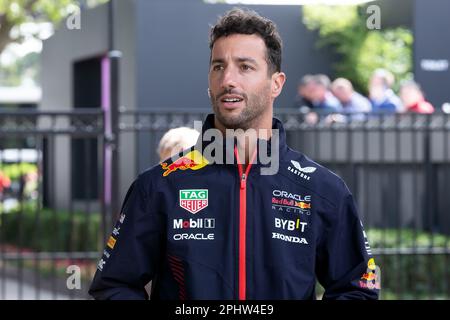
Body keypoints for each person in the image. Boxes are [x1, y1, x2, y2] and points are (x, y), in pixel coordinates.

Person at [89, 8, 379, 300]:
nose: (228, 79)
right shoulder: (159, 186)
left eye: (245, 67)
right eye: (218, 66)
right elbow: (114, 286)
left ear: (276, 83)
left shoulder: (322, 189)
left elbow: (357, 288)